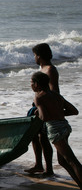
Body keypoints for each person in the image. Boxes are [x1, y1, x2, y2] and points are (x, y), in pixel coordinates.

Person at [30, 72, 81, 190]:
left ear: (36, 84)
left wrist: (37, 112)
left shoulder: (39, 97)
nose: (31, 85)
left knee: (72, 161)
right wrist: (58, 113)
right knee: (63, 161)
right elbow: (74, 111)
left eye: (31, 83)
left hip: (55, 129)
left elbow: (44, 117)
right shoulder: (56, 95)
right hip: (64, 126)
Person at [25, 43, 60, 176]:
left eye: (34, 55)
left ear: (39, 56)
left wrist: (43, 107)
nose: (34, 57)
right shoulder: (43, 68)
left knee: (44, 138)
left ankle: (49, 169)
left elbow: (54, 91)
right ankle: (38, 165)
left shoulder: (50, 70)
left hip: (45, 108)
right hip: (39, 106)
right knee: (35, 135)